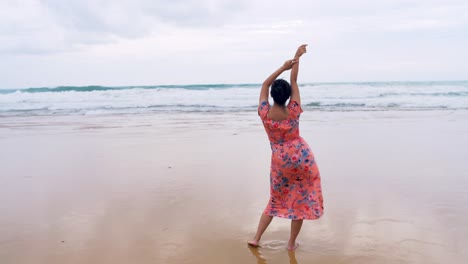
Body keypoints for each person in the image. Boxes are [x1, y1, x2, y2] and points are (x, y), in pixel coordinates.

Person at [248, 44, 324, 251]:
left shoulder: (264, 113)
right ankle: (291, 243)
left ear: (272, 95)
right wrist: (297, 57)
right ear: (288, 96)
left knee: (275, 199)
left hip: (280, 161)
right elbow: (294, 81)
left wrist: (282, 67)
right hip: (301, 158)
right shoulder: (293, 110)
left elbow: (264, 84)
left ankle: (256, 238)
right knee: (299, 199)